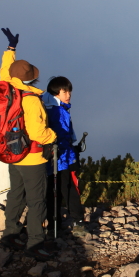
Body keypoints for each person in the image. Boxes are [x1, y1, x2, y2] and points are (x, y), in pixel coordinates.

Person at [0, 28, 57, 261]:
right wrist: (53, 137)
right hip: (32, 157)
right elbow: (37, 133)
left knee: (16, 194)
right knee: (36, 200)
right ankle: (35, 243)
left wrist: (10, 50)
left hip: (12, 154)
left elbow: (5, 70)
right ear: (32, 77)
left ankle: (10, 234)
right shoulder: (30, 99)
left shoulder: (7, 88)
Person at [43, 76, 85, 236]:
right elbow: (62, 135)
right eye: (64, 91)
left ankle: (54, 224)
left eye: (69, 91)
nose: (68, 94)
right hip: (61, 158)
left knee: (51, 191)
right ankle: (77, 221)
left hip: (50, 158)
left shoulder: (48, 107)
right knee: (68, 189)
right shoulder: (59, 111)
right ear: (56, 93)